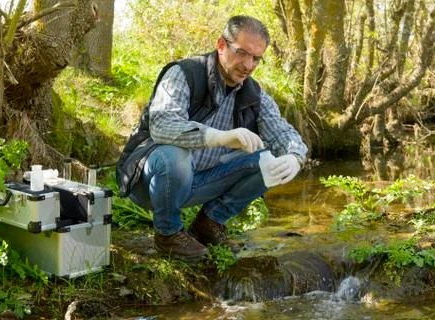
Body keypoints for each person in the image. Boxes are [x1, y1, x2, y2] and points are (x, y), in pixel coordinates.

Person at [116, 15, 308, 262]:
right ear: (221, 45)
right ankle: (168, 233)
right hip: (150, 181)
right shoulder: (184, 73)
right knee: (175, 155)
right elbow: (162, 126)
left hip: (201, 181)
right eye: (242, 53)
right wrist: (220, 137)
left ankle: (209, 223)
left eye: (256, 58)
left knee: (269, 161)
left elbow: (282, 132)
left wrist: (294, 156)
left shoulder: (255, 94)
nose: (248, 65)